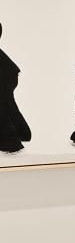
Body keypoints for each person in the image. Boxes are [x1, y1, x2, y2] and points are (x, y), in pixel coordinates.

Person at [0, 22, 30, 153]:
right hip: (8, 73)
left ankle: (11, 140)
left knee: (3, 104)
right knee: (8, 103)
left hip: (5, 73)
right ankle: (22, 132)